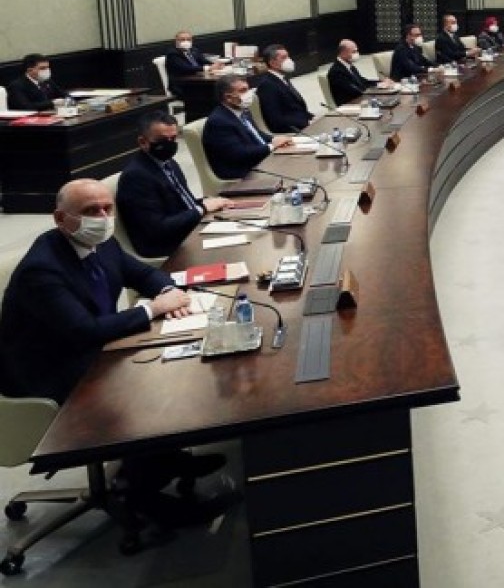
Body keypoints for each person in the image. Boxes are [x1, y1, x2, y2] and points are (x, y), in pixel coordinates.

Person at [0, 178, 232, 529]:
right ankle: (144, 496)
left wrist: (167, 292)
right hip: (45, 372)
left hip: (84, 349)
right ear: (60, 219)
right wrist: (152, 309)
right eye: (91, 211)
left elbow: (142, 273)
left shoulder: (101, 244)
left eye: (107, 208)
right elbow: (84, 331)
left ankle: (163, 460)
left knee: (162, 365)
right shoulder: (42, 269)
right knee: (137, 387)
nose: (103, 217)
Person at [117, 112, 232, 259]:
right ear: (143, 142)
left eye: (173, 138)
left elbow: (183, 203)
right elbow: (157, 229)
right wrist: (201, 209)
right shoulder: (136, 177)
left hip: (188, 230)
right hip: (167, 246)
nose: (170, 144)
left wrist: (207, 203)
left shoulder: (169, 162)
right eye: (163, 140)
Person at [202, 74, 293, 180]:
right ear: (228, 97)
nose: (249, 94)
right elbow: (239, 154)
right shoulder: (219, 122)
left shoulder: (242, 111)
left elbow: (256, 134)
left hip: (259, 162)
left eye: (248, 89)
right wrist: (271, 146)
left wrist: (274, 139)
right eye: (243, 90)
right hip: (242, 173)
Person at [255, 44, 313, 134]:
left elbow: (294, 106)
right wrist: (305, 123)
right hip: (292, 131)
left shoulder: (282, 77)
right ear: (272, 63)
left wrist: (310, 117)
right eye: (284, 58)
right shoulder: (267, 85)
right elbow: (276, 119)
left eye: (288, 56)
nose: (289, 60)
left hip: (303, 122)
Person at [327, 39, 384, 106]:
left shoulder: (350, 66)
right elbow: (355, 90)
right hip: (350, 105)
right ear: (343, 53)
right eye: (354, 52)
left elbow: (362, 81)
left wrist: (380, 82)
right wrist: (376, 89)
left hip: (361, 100)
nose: (357, 54)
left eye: (357, 51)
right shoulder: (336, 72)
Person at [163, 30, 216, 95]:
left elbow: (203, 61)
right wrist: (207, 68)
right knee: (211, 90)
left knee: (217, 87)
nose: (186, 42)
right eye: (182, 40)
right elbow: (186, 68)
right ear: (176, 41)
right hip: (182, 85)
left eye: (188, 39)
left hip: (198, 80)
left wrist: (215, 65)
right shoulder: (172, 53)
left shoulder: (194, 50)